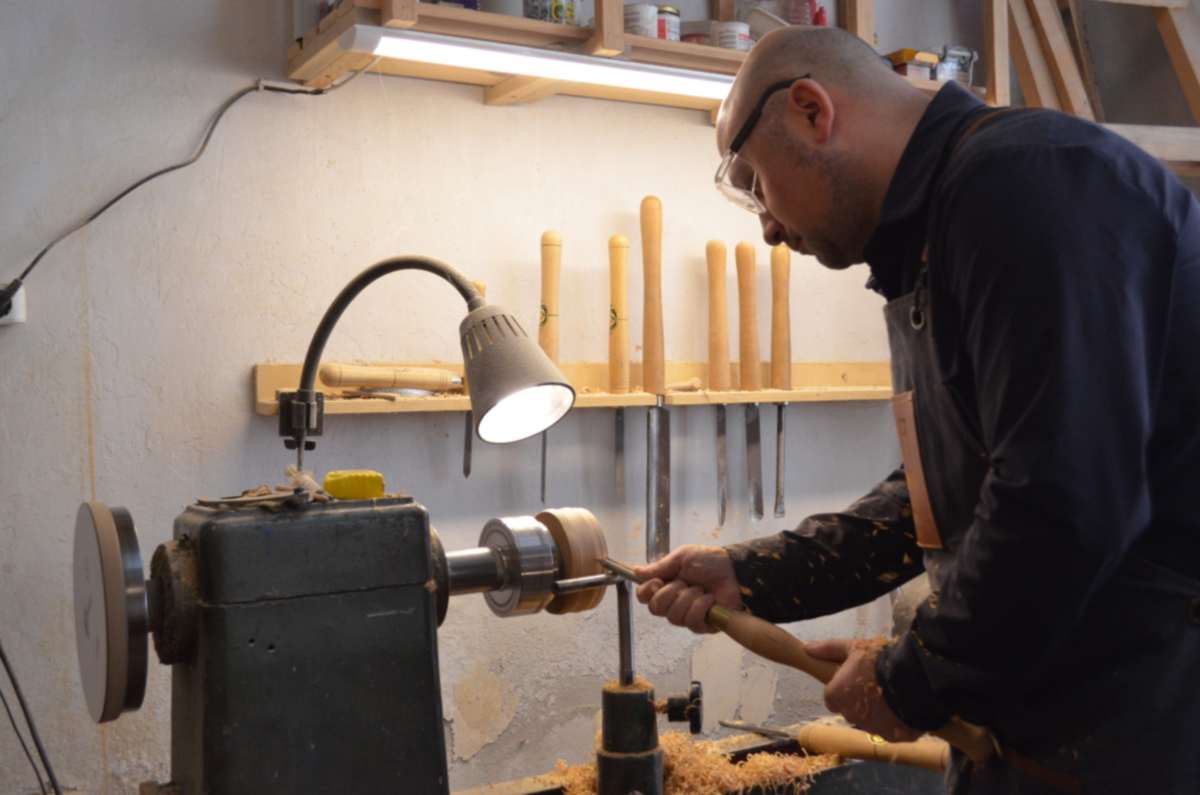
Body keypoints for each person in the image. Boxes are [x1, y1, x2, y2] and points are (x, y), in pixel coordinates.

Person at [633, 26, 1200, 794]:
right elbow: (945, 495)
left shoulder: (1028, 187)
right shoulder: (931, 235)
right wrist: (753, 574)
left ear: (811, 110)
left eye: (755, 181)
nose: (765, 225)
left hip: (1151, 733)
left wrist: (914, 673)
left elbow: (1065, 495)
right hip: (1043, 732)